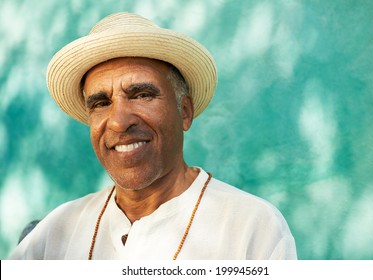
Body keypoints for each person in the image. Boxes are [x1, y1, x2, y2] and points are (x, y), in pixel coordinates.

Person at [9, 12, 297, 260]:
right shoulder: (55, 234)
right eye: (100, 103)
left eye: (143, 95)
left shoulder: (251, 228)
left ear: (184, 112)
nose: (119, 122)